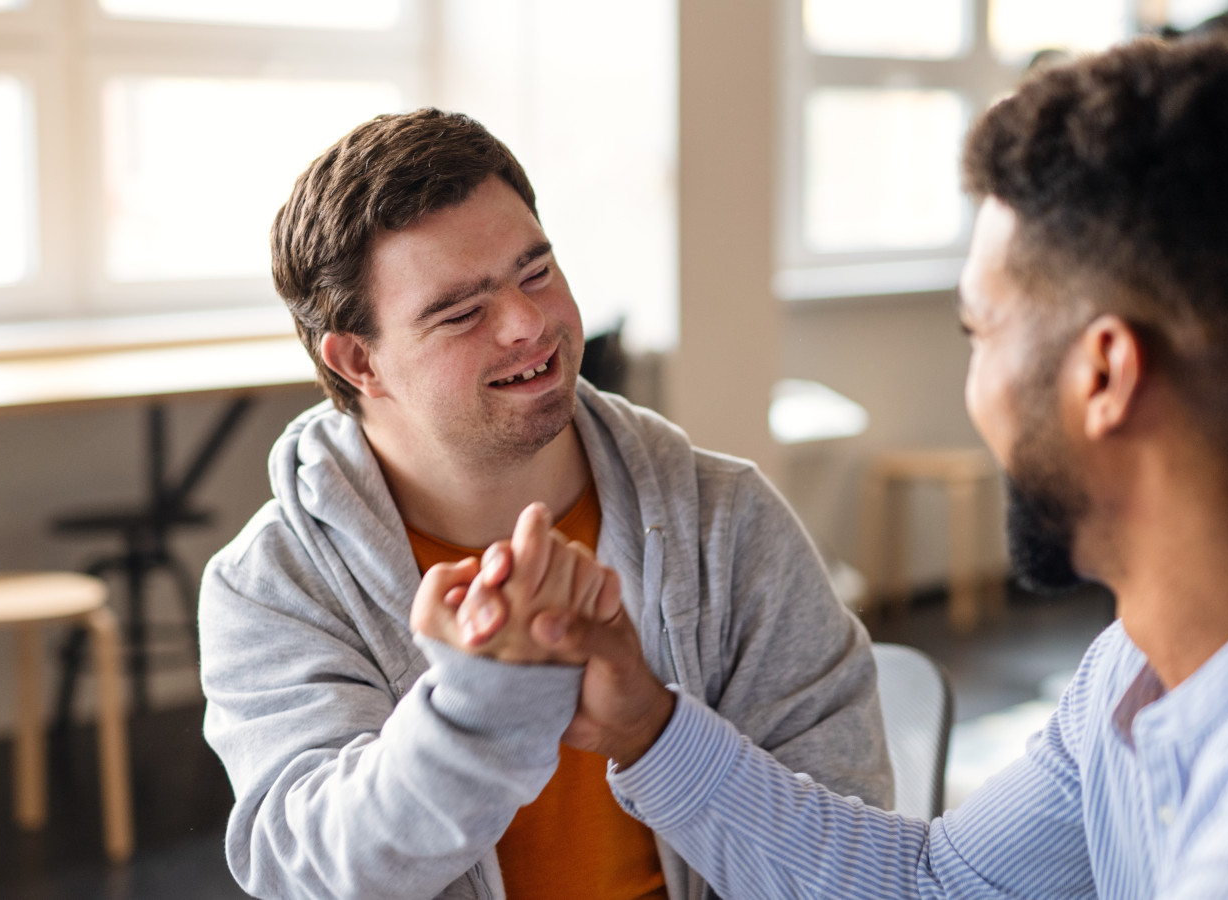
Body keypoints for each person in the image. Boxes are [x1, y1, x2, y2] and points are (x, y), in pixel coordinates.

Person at [428, 37, 1228, 898]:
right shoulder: (1146, 660)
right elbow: (942, 882)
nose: (973, 383)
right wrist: (647, 726)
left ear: (1105, 374)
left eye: (979, 331)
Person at [197, 108, 892, 900]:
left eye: (537, 272)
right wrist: (482, 702)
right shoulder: (272, 585)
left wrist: (656, 730)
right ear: (359, 361)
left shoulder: (726, 521)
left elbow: (852, 852)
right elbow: (312, 875)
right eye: (461, 312)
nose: (530, 324)